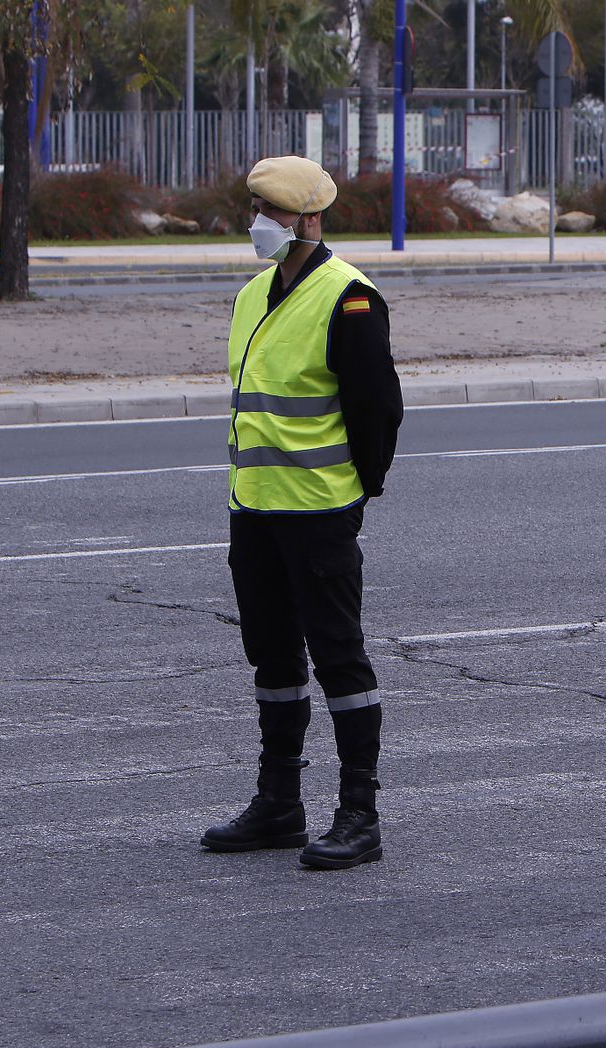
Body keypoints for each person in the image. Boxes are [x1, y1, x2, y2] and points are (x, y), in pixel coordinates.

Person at [201, 155, 403, 870]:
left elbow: (378, 409)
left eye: (273, 213)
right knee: (273, 657)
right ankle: (279, 804)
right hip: (254, 509)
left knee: (338, 657)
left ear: (311, 220)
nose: (259, 225)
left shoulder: (349, 297)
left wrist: (358, 490)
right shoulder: (254, 293)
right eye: (255, 210)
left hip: (318, 511)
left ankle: (359, 814)